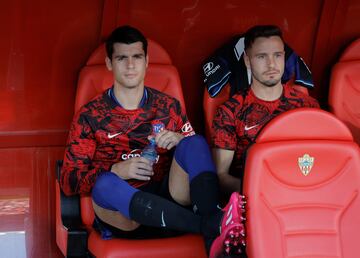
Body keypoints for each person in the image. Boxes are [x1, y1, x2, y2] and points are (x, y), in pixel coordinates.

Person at [60, 25, 245, 258]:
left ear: (147, 61)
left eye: (137, 57)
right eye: (122, 58)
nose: (130, 66)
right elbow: (69, 179)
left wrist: (179, 140)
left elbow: (196, 157)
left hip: (171, 201)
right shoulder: (90, 115)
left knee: (194, 142)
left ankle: (213, 234)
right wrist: (117, 169)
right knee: (105, 183)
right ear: (109, 63)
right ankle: (214, 226)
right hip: (125, 217)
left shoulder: (169, 106)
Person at [211, 25, 320, 195]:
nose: (271, 64)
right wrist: (261, 191)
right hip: (255, 194)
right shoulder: (229, 111)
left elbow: (320, 159)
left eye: (277, 55)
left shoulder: (308, 106)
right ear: (248, 60)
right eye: (262, 57)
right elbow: (221, 176)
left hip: (303, 189)